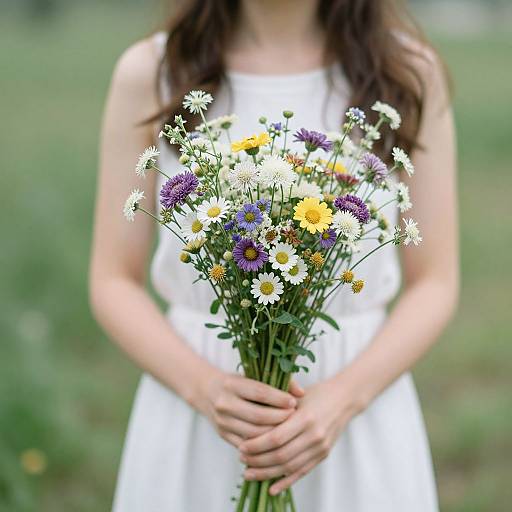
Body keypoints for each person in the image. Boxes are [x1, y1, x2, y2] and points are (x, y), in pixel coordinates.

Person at [89, 1, 459, 510]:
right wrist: (206, 388)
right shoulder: (153, 71)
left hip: (358, 399)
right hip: (197, 399)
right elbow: (112, 279)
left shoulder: (406, 73)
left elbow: (436, 282)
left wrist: (342, 399)